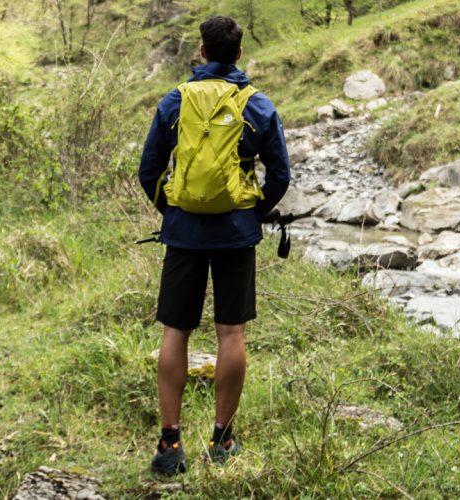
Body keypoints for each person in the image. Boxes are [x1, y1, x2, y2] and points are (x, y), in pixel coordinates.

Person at [137, 15, 291, 475]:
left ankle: (169, 445)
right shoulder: (256, 105)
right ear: (239, 53)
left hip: (183, 232)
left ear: (201, 52)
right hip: (236, 234)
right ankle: (222, 439)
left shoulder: (175, 102)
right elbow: (280, 175)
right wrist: (254, 212)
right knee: (231, 333)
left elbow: (149, 171)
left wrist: (174, 211)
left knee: (174, 332)